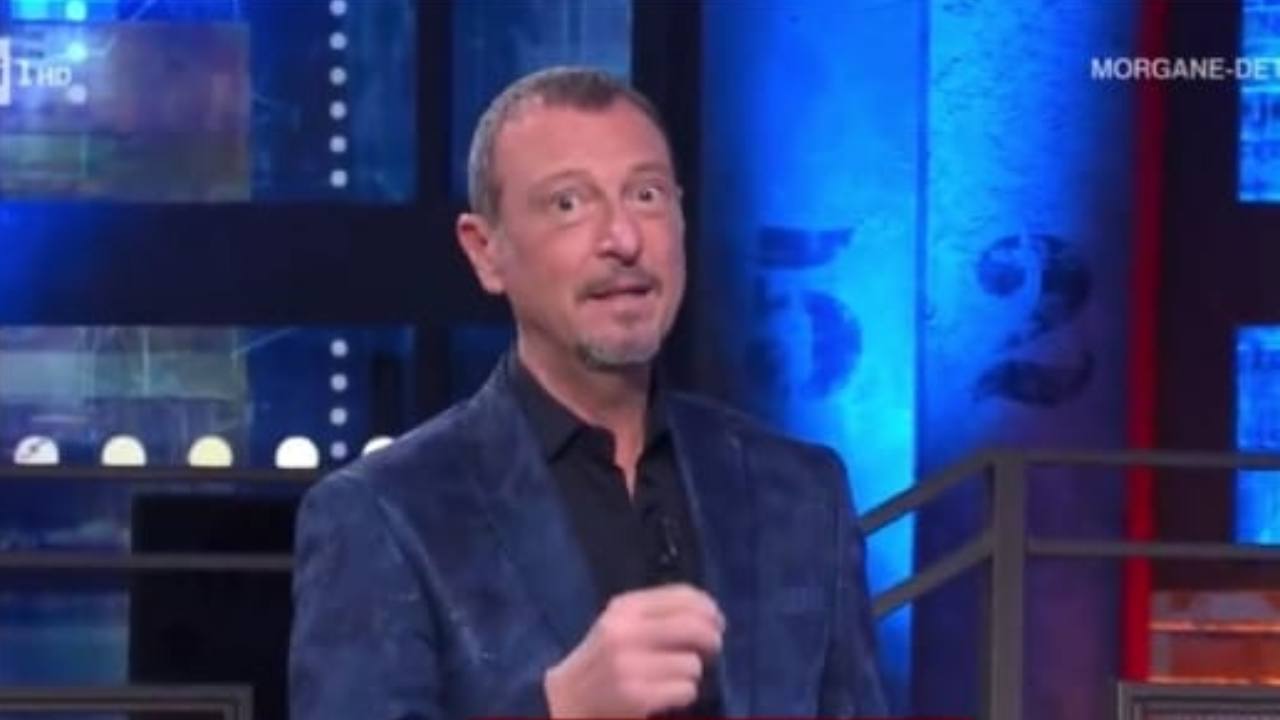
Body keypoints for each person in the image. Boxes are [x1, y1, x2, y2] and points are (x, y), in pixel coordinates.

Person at [289, 66, 886, 719]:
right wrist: (561, 710)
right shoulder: (385, 513)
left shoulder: (801, 492)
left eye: (647, 195)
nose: (624, 240)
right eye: (568, 204)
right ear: (486, 251)